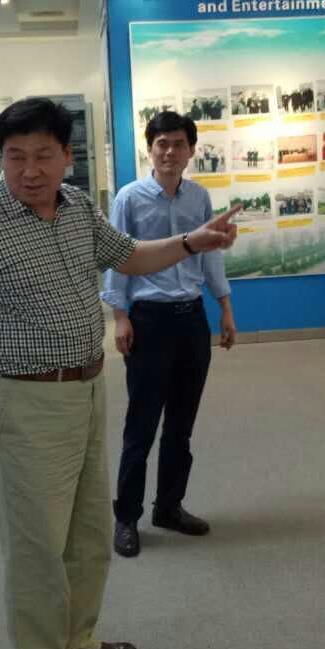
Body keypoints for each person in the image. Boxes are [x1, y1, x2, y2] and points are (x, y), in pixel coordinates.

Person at [0, 97, 239, 649]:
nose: (29, 170)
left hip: (87, 388)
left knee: (87, 532)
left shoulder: (76, 208)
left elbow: (130, 257)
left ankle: (76, 641)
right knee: (37, 546)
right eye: (15, 156)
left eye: (43, 155)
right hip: (24, 401)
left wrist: (192, 242)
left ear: (67, 156)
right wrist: (10, 360)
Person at [102, 111, 236, 560]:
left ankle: (169, 507)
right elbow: (118, 259)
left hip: (191, 320)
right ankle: (126, 517)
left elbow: (210, 256)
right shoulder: (129, 198)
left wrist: (225, 307)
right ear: (149, 149)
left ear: (191, 150)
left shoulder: (199, 197)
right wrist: (120, 317)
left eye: (178, 144)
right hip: (149, 321)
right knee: (141, 426)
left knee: (181, 426)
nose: (169, 152)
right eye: (161, 143)